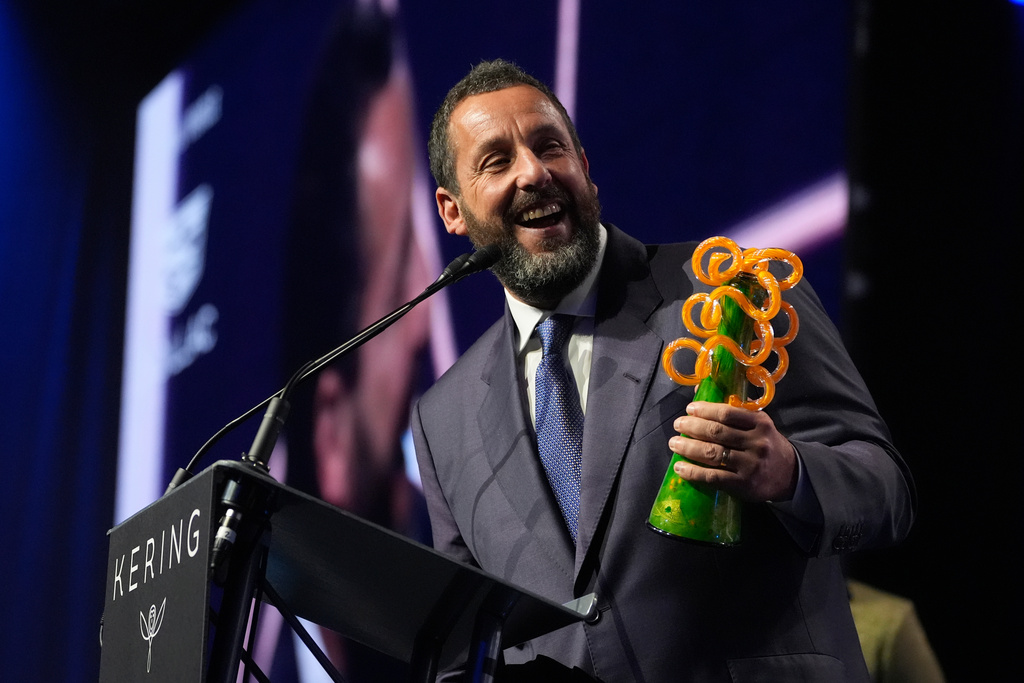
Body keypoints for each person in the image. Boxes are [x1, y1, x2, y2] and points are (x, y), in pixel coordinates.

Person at [411, 59, 916, 681]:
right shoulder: (443, 416)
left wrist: (789, 474)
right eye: (496, 161)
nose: (534, 172)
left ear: (585, 169)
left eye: (550, 146)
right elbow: (464, 640)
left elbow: (884, 488)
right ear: (451, 210)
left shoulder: (735, 289)